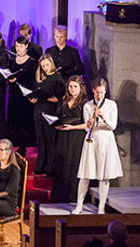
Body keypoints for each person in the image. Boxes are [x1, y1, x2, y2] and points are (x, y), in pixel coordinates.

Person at [72, 78, 123, 214]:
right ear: (93, 91)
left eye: (102, 92)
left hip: (106, 140)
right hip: (92, 140)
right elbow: (86, 128)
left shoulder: (112, 105)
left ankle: (101, 208)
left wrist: (104, 117)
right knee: (85, 174)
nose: (99, 95)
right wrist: (89, 124)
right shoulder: (88, 106)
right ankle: (79, 205)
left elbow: (113, 126)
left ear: (105, 91)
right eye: (97, 92)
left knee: (104, 175)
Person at [52, 76, 88, 203]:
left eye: (75, 86)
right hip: (63, 136)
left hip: (76, 137)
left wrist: (72, 127)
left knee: (73, 165)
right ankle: (60, 197)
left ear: (81, 87)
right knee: (62, 164)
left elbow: (88, 125)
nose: (72, 89)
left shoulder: (85, 103)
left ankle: (73, 197)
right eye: (70, 86)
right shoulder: (64, 99)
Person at [32, 54, 64, 174]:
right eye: (43, 66)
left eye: (47, 65)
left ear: (51, 64)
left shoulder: (57, 78)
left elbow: (61, 98)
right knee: (41, 140)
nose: (45, 68)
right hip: (38, 111)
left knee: (50, 141)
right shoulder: (40, 77)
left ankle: (50, 168)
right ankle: (39, 167)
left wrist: (50, 98)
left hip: (50, 112)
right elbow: (34, 91)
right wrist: (33, 98)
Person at [6, 35, 38, 155]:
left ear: (26, 46)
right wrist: (10, 79)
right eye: (17, 46)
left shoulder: (31, 61)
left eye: (20, 46)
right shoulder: (12, 60)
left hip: (25, 93)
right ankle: (15, 140)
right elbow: (8, 74)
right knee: (14, 116)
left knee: (24, 117)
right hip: (14, 92)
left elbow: (33, 78)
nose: (18, 48)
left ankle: (25, 142)